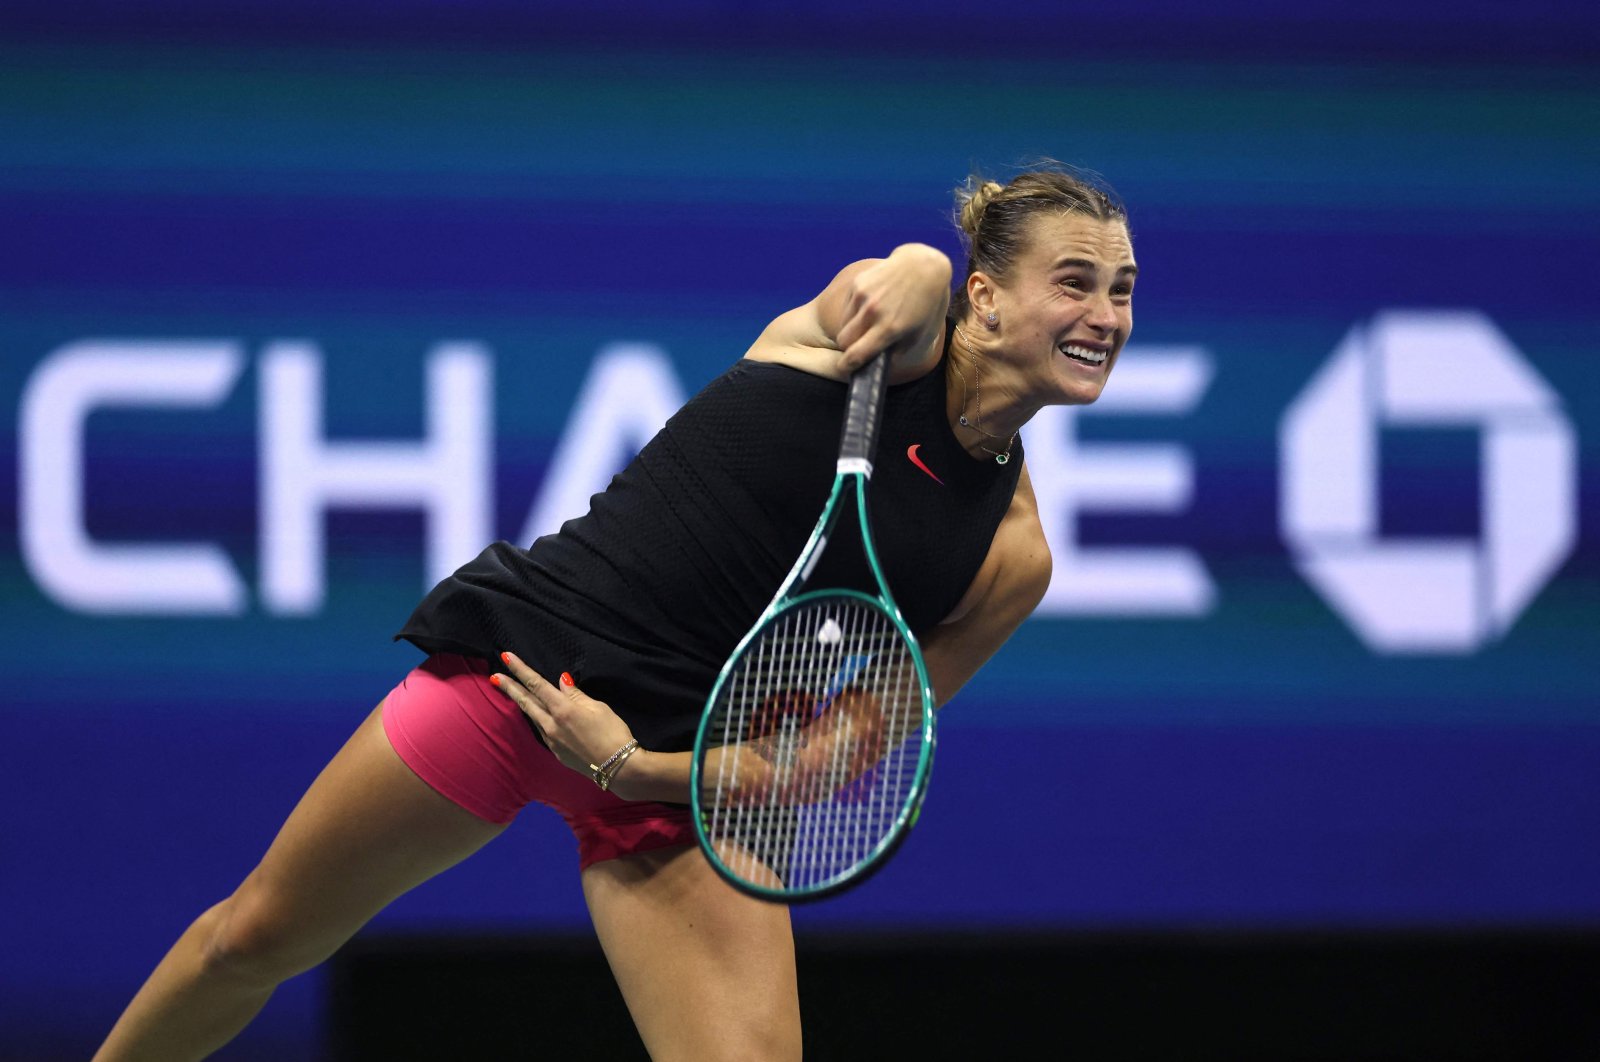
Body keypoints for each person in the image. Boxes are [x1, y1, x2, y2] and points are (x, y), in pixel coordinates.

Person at [94, 164, 1137, 1062]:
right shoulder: (870, 341)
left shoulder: (1009, 556)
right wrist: (911, 265)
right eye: (1076, 282)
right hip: (525, 676)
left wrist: (629, 770)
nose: (1105, 317)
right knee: (254, 939)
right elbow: (894, 280)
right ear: (987, 297)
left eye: (1123, 291)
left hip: (674, 782)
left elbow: (830, 758)